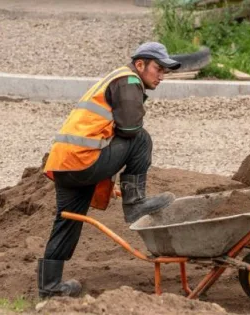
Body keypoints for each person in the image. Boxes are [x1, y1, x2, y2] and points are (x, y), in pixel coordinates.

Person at [37, 42, 181, 298]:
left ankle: (50, 287)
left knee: (66, 220)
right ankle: (135, 203)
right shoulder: (129, 81)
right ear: (140, 64)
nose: (161, 76)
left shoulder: (115, 78)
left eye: (164, 72)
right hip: (83, 160)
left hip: (65, 163)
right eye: (158, 69)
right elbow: (129, 131)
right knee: (141, 139)